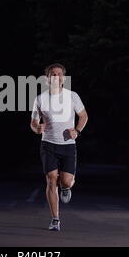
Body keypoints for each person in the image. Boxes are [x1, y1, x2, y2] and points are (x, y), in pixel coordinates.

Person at [30, 63, 88, 231]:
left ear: (63, 78)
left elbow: (83, 116)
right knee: (51, 180)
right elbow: (33, 122)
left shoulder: (72, 96)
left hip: (68, 145)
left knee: (66, 180)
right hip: (48, 144)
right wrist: (36, 127)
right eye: (52, 74)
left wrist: (77, 130)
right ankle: (55, 219)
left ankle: (66, 186)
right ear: (47, 79)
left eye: (59, 74)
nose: (56, 77)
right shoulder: (40, 99)